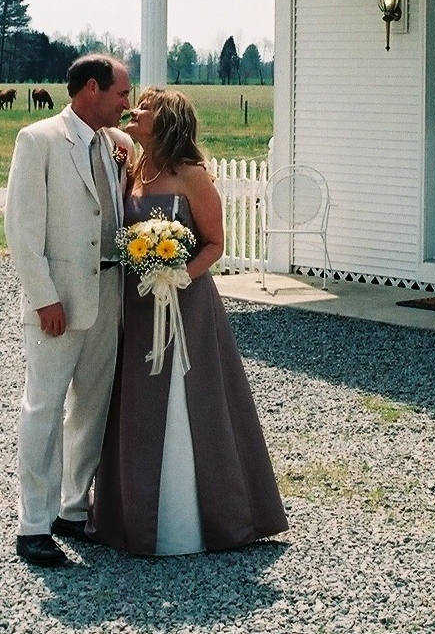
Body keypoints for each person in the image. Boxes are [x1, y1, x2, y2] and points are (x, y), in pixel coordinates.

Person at [89, 87, 288, 555]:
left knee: (192, 398)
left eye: (146, 108)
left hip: (187, 303)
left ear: (168, 119)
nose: (134, 110)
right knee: (136, 401)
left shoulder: (192, 175)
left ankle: (206, 519)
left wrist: (176, 275)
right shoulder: (132, 169)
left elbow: (214, 243)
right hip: (138, 305)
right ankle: (132, 518)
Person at [4, 53, 132, 567]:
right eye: (122, 93)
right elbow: (22, 230)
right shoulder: (38, 140)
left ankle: (73, 510)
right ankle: (32, 525)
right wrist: (44, 299)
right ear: (92, 89)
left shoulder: (110, 142)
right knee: (43, 409)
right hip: (58, 302)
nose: (128, 103)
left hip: (109, 294)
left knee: (91, 408)